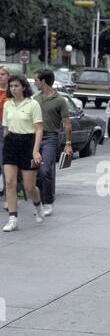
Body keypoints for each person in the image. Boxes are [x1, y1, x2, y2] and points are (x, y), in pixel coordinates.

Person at [2, 75, 44, 231]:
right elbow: (6, 128)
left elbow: (39, 129)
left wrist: (35, 150)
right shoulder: (7, 105)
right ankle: (13, 218)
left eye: (16, 86)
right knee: (10, 182)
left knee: (29, 186)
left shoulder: (33, 104)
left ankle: (38, 206)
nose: (13, 89)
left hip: (28, 143)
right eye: (11, 86)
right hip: (11, 143)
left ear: (24, 87)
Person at [34, 69, 72, 216]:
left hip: (50, 138)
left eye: (36, 80)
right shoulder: (35, 98)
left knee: (45, 170)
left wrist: (68, 143)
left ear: (43, 81)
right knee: (36, 171)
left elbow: (67, 123)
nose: (36, 82)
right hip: (34, 137)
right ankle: (39, 202)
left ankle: (48, 202)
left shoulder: (60, 100)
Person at [0, 66, 10, 205]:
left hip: (7, 128)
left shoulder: (12, 92)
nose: (0, 76)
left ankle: (9, 198)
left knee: (5, 163)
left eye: (2, 74)